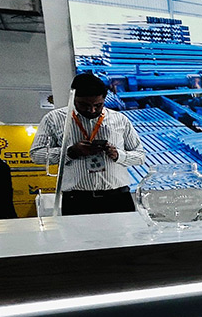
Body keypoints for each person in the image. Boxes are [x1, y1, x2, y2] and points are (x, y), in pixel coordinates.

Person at [31, 72, 146, 215]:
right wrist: (71, 152)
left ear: (104, 99)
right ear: (73, 97)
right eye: (84, 105)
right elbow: (36, 155)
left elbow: (140, 156)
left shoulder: (120, 120)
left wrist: (118, 155)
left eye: (98, 105)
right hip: (77, 201)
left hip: (118, 198)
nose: (92, 110)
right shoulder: (54, 119)